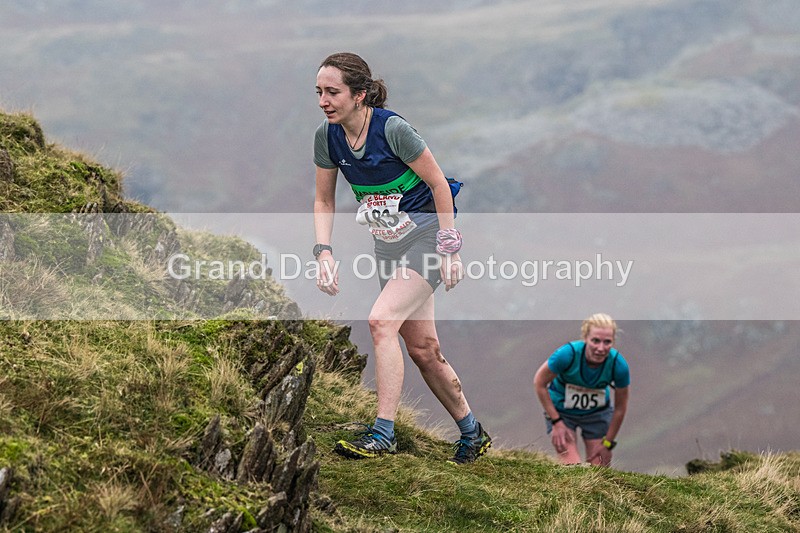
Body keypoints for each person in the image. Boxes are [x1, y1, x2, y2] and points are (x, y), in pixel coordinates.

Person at [312, 52, 491, 464]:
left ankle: (382, 433)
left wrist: (450, 248)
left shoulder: (393, 130)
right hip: (388, 244)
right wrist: (323, 252)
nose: (323, 100)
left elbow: (439, 185)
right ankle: (471, 432)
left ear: (359, 95)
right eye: (319, 92)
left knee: (380, 321)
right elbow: (323, 199)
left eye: (332, 92)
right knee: (423, 348)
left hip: (428, 235)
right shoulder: (328, 137)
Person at [533, 313, 630, 466]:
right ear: (585, 338)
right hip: (561, 412)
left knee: (600, 468)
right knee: (573, 468)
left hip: (597, 414)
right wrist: (556, 422)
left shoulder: (618, 365)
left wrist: (608, 444)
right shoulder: (566, 355)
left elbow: (620, 408)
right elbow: (539, 383)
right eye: (595, 341)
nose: (601, 348)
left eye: (607, 342)